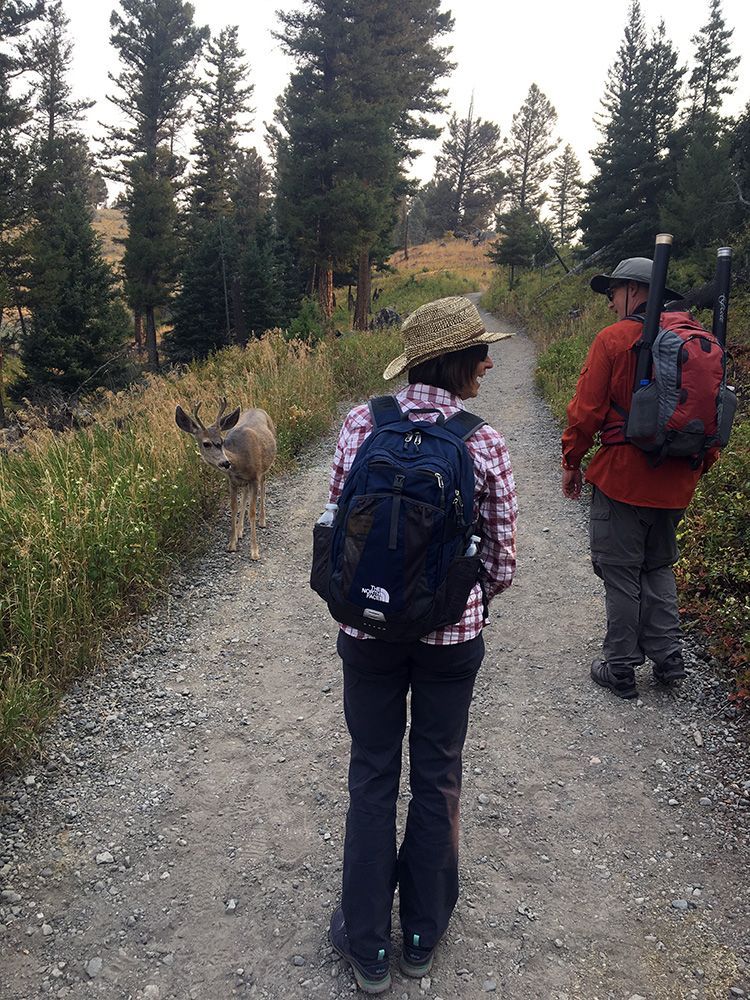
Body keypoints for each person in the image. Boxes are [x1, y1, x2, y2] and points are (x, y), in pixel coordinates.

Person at [325, 296, 517, 993]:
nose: (489, 362)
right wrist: (459, 602)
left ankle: (367, 944)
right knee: (438, 775)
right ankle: (419, 935)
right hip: (449, 642)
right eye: (481, 352)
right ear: (458, 360)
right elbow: (501, 560)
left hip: (367, 631)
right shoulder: (483, 442)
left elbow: (337, 525)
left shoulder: (362, 423)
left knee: (372, 773)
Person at [561, 257, 718, 700]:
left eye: (613, 291)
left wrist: (572, 460)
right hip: (678, 480)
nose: (610, 302)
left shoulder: (614, 339)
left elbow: (586, 410)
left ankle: (620, 667)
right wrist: (695, 469)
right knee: (657, 566)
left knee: (620, 571)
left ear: (633, 290)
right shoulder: (697, 339)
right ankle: (669, 659)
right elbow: (712, 414)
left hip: (623, 478)